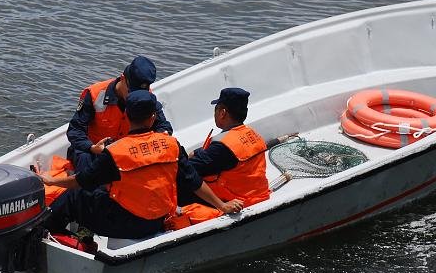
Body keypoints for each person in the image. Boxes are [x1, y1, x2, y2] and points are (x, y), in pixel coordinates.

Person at [43, 91, 242, 240]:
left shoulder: (116, 152)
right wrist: (222, 205)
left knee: (75, 197)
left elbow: (80, 181)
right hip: (157, 220)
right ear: (153, 117)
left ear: (127, 115)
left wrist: (52, 180)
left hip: (126, 224)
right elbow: (194, 182)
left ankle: (49, 236)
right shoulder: (172, 146)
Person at [185, 87, 298, 208]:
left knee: (183, 183)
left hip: (237, 202)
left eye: (216, 110)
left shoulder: (222, 147)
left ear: (222, 113)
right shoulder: (252, 134)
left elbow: (187, 170)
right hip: (259, 195)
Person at [65, 55, 173, 170]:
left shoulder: (145, 98)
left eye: (140, 92)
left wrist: (148, 143)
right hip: (96, 152)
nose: (134, 96)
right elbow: (75, 130)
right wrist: (92, 147)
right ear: (122, 78)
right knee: (84, 158)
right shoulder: (95, 94)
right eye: (131, 91)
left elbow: (164, 127)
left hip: (127, 154)